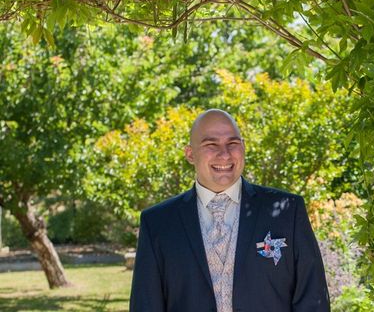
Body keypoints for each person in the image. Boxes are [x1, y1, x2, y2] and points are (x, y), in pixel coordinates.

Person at [129, 109, 330, 312]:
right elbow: (146, 305)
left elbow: (313, 299)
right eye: (211, 144)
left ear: (243, 147)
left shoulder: (288, 211)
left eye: (233, 143)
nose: (224, 154)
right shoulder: (158, 223)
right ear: (190, 154)